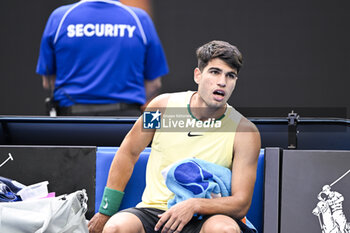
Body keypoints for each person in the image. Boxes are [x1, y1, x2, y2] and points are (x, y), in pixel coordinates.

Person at [88, 40, 261, 233]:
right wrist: (106, 211)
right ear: (198, 75)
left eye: (230, 76)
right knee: (116, 228)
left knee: (223, 229)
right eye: (215, 72)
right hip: (155, 212)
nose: (222, 82)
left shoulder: (245, 131)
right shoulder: (162, 108)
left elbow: (241, 204)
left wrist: (194, 205)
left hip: (208, 216)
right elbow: (129, 152)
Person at [36, 0, 168, 116]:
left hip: (71, 120)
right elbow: (154, 83)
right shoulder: (139, 19)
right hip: (125, 122)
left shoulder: (60, 17)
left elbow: (48, 81)